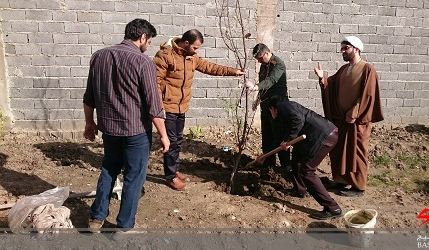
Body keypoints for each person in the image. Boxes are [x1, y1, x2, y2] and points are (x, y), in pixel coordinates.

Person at [83, 19, 170, 232]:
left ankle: (96, 218)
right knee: (134, 176)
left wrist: (89, 123)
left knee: (109, 169)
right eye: (149, 41)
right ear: (142, 37)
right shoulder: (143, 62)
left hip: (109, 129)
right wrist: (164, 135)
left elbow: (89, 96)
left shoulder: (99, 56)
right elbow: (154, 105)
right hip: (136, 132)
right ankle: (124, 225)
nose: (148, 45)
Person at [154, 29, 244, 190]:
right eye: (196, 47)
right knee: (172, 142)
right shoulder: (165, 55)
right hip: (167, 107)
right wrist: (158, 107)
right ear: (186, 43)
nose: (197, 51)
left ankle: (174, 169)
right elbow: (156, 82)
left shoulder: (191, 58)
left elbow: (210, 67)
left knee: (178, 140)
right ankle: (170, 176)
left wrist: (233, 71)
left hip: (182, 106)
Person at [314, 36, 384, 197]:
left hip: (357, 121)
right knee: (339, 150)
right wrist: (322, 78)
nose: (343, 52)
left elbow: (368, 94)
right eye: (342, 49)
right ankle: (341, 180)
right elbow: (331, 84)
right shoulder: (344, 69)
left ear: (357, 49)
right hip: (342, 120)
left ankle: (358, 186)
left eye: (346, 48)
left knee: (356, 152)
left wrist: (354, 113)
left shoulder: (368, 69)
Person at [266, 95, 342, 220]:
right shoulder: (287, 110)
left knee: (307, 171)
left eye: (270, 111)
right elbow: (281, 136)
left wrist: (289, 139)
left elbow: (297, 120)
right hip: (319, 136)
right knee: (296, 160)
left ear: (272, 108)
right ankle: (300, 190)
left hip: (324, 137)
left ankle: (333, 208)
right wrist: (265, 154)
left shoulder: (283, 107)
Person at [245, 43, 290, 172]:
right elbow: (263, 82)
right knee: (267, 136)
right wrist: (258, 99)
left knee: (279, 136)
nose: (259, 61)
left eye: (260, 58)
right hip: (266, 106)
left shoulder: (278, 64)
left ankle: (286, 165)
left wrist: (255, 87)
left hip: (278, 107)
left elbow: (271, 81)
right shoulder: (264, 66)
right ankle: (269, 164)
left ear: (266, 53)